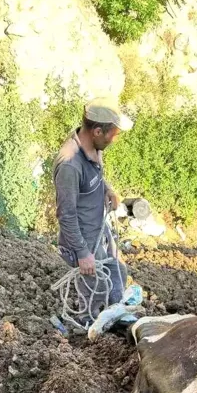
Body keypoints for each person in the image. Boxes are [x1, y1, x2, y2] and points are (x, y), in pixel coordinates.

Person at [53, 98, 133, 325]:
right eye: (113, 135)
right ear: (97, 131)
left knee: (118, 273)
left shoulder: (92, 146)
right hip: (83, 241)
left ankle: (116, 319)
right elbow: (65, 215)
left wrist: (107, 189)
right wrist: (83, 254)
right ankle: (90, 336)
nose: (115, 139)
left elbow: (94, 176)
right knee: (96, 292)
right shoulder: (70, 164)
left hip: (98, 231)